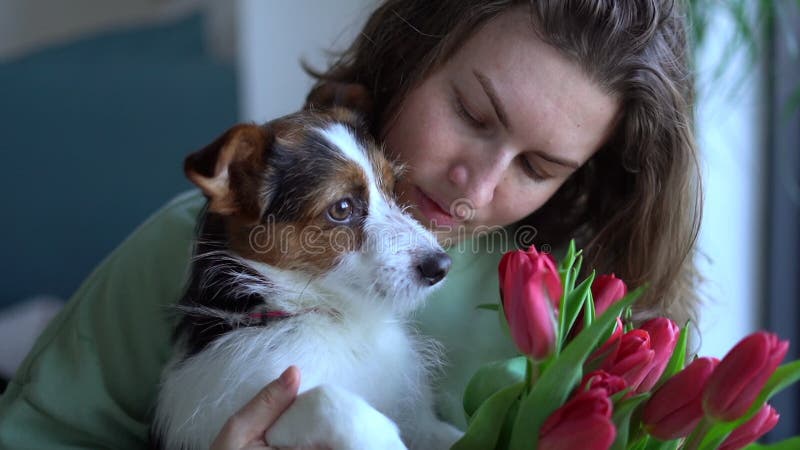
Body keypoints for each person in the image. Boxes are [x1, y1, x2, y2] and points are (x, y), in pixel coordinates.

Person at [0, 0, 702, 449]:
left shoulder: (606, 312)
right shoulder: (197, 246)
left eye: (539, 167)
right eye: (472, 114)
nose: (477, 184)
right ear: (414, 52)